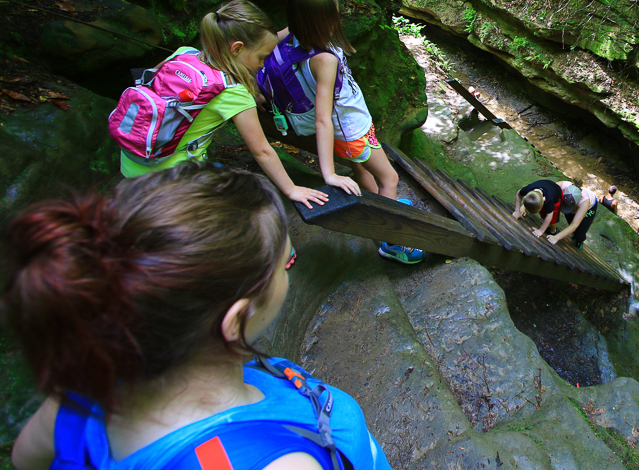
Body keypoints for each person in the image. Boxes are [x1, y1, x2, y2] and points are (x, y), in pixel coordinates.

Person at [4, 162, 391, 470]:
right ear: (236, 320)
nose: (289, 270)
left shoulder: (85, 391)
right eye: (286, 262)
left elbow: (25, 458)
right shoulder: (278, 463)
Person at [115, 0, 332, 209]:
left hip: (135, 159)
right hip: (171, 179)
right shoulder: (233, 93)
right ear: (237, 49)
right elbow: (262, 151)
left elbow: (154, 86)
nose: (262, 64)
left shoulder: (183, 53)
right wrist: (292, 189)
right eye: (262, 57)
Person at [263, 0, 422, 265]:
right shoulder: (324, 60)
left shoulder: (289, 35)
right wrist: (329, 174)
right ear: (318, 20)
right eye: (333, 14)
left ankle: (382, 208)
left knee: (361, 171)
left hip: (343, 131)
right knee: (390, 178)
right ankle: (393, 242)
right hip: (351, 131)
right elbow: (323, 118)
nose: (339, 18)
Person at [513, 179, 599, 248]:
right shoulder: (562, 185)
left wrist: (557, 237)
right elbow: (537, 197)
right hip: (567, 202)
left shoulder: (585, 201)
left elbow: (574, 225)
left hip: (589, 209)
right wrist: (523, 208)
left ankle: (579, 241)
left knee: (579, 233)